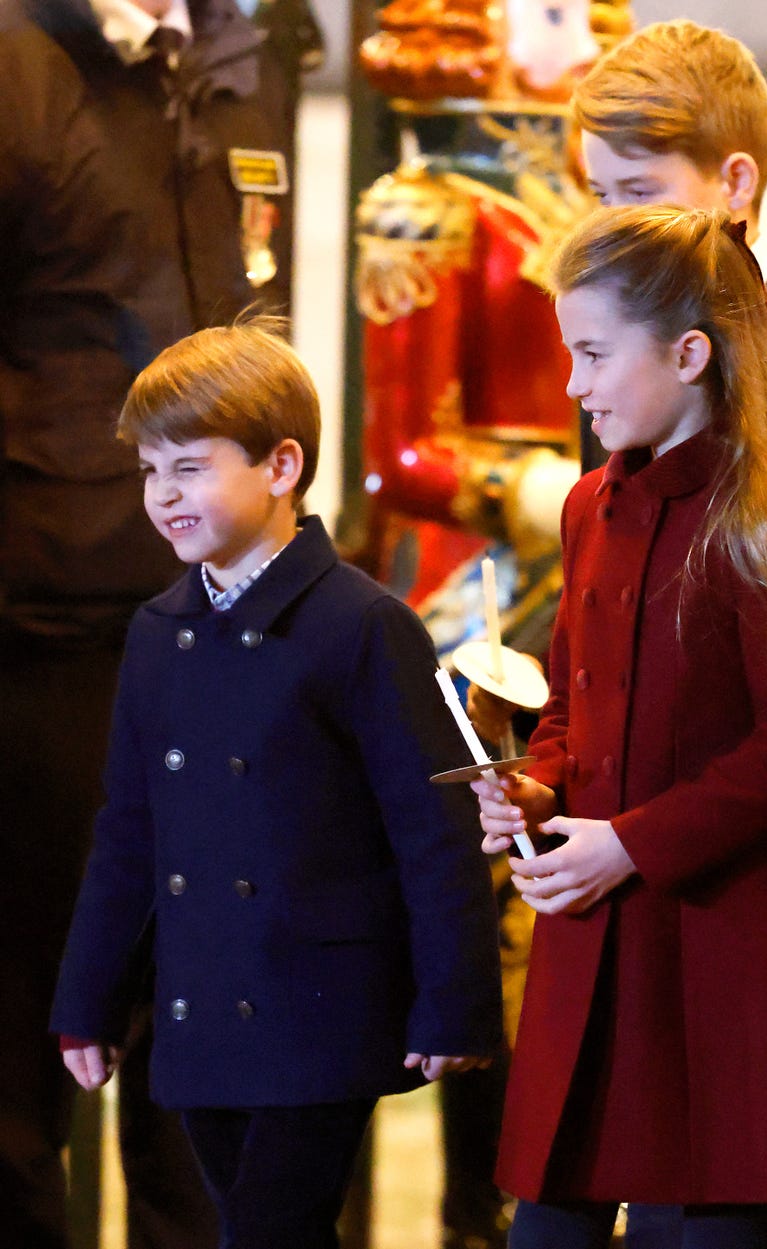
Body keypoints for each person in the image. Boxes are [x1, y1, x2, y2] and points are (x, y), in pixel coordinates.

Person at [471, 203, 767, 1249]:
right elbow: (573, 708)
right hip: (601, 939)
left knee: (723, 1220)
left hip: (725, 942)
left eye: (591, 353)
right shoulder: (588, 505)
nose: (571, 385)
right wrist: (538, 787)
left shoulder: (766, 509)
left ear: (688, 353)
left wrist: (631, 842)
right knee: (549, 1222)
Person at [472, 18, 767, 940]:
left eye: (638, 191)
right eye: (597, 192)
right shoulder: (615, 357)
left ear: (735, 183)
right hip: (643, 812)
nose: (610, 217)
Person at [48, 318, 503, 1249]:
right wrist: (87, 997)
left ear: (282, 465)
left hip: (321, 1008)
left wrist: (456, 1001)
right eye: (149, 470)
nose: (164, 495)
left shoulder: (363, 624)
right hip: (201, 1007)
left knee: (268, 1234)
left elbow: (434, 828)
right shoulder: (156, 631)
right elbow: (129, 832)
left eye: (191, 466)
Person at [0, 0, 319, 1243]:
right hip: (43, 645)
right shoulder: (22, 62)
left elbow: (260, 319)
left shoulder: (250, 54)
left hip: (232, 634)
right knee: (28, 1051)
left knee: (210, 1049)